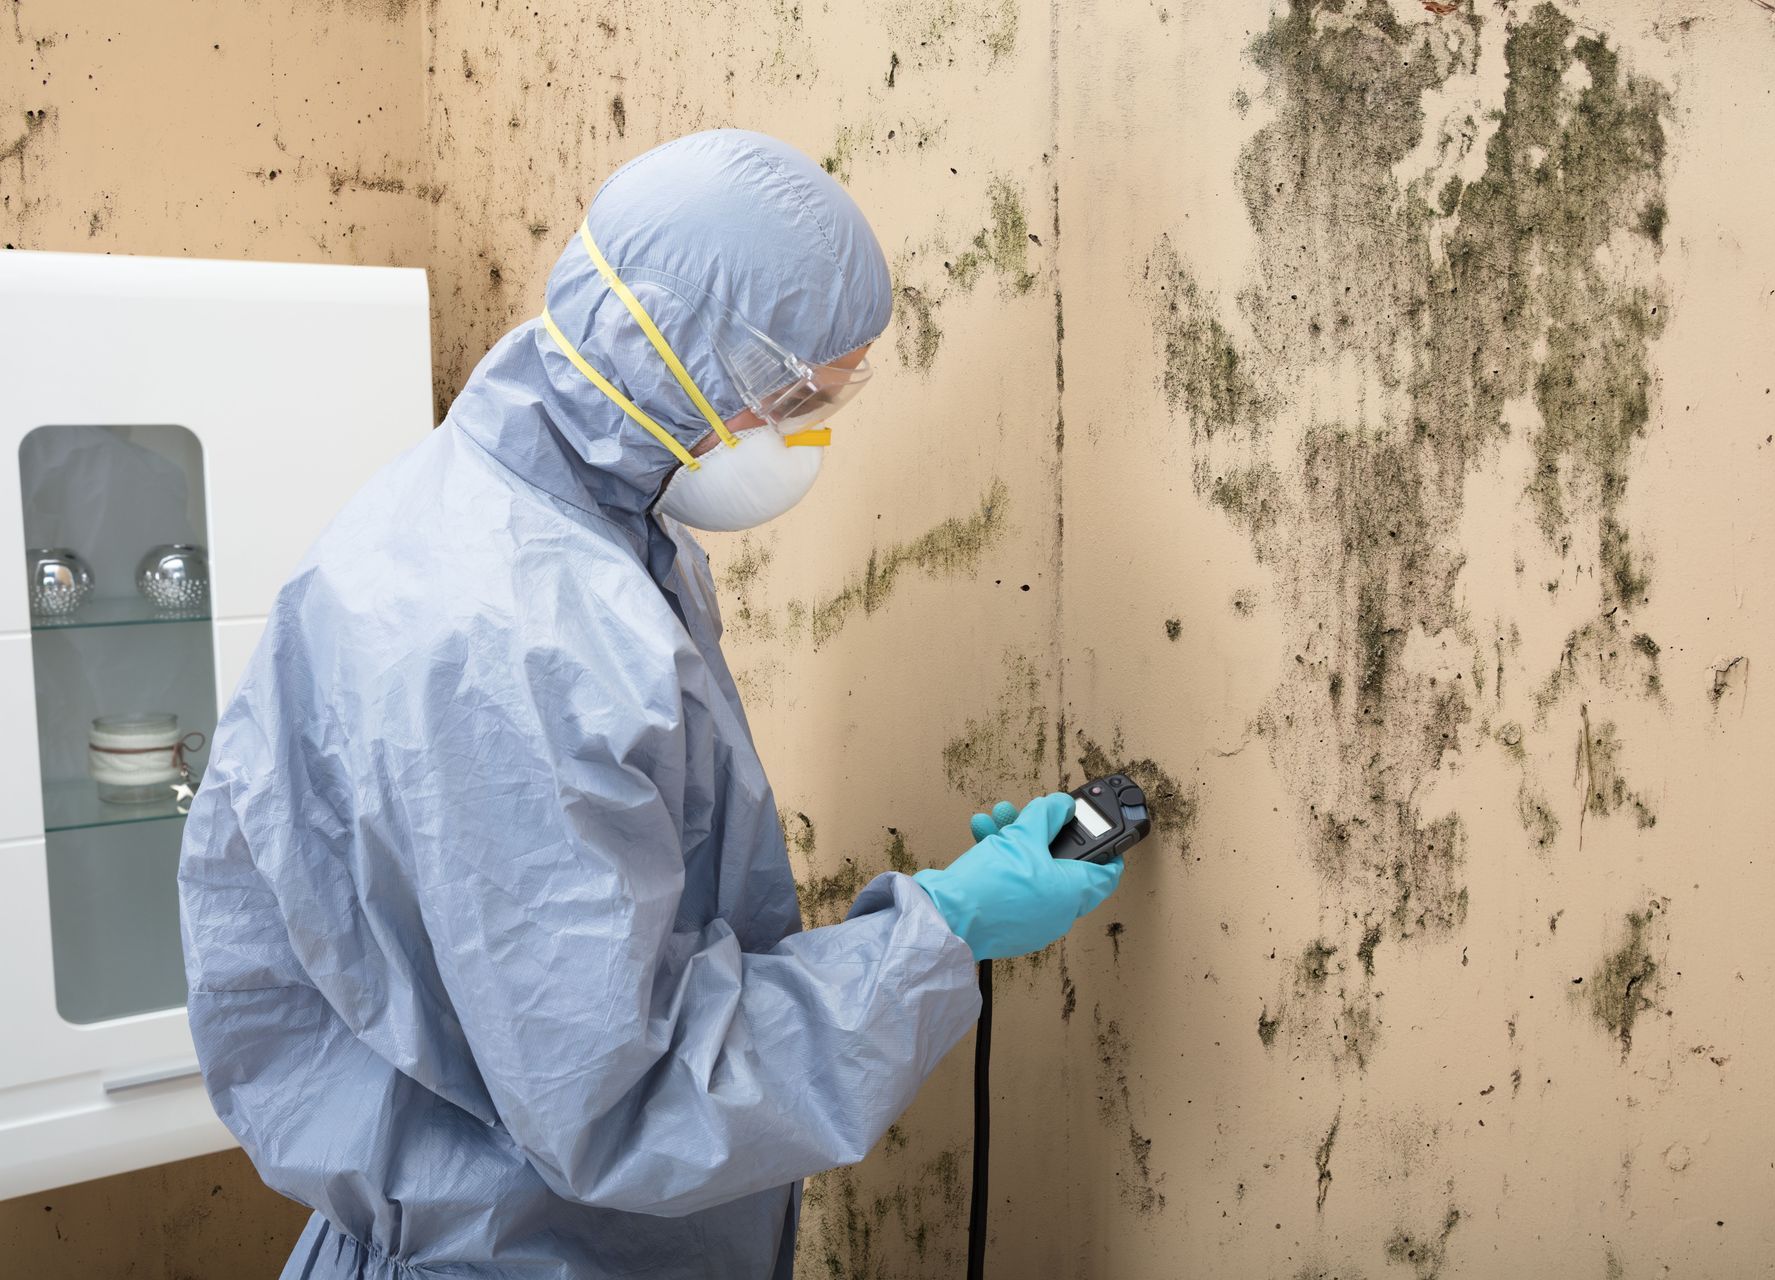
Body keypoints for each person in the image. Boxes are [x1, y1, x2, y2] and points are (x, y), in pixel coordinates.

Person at [176, 128, 1124, 1280]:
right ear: (679, 360)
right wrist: (936, 936)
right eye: (798, 398)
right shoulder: (524, 642)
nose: (810, 433)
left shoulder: (545, 510)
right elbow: (625, 1099)